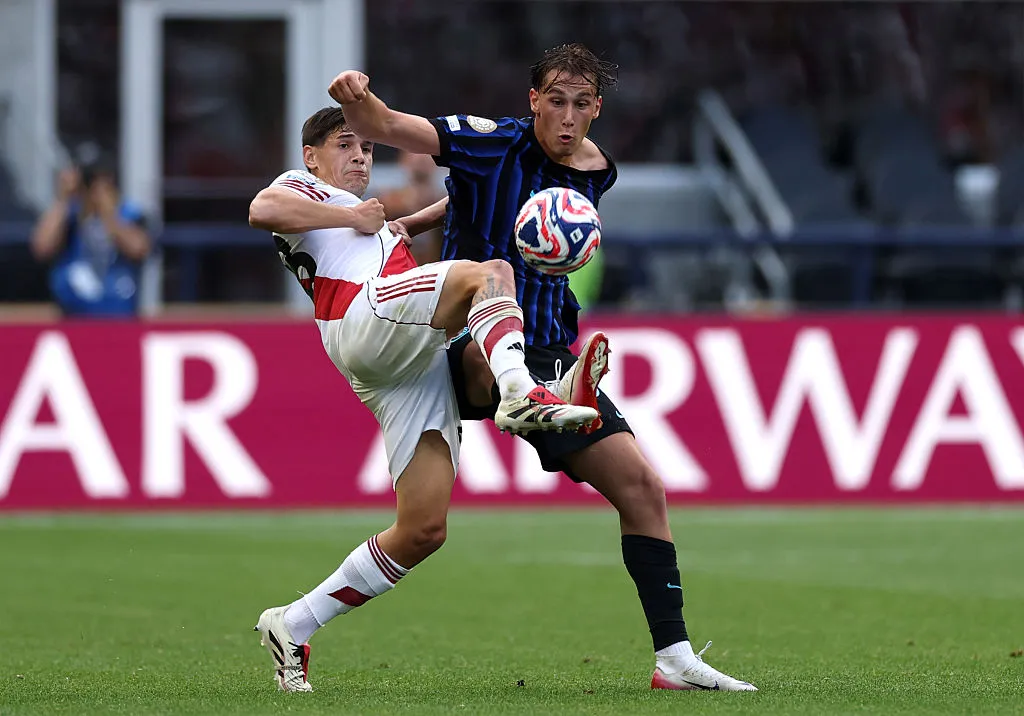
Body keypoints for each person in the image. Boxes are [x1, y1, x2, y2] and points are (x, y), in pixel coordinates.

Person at [327, 43, 757, 691]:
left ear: (597, 111)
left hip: (551, 344)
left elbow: (478, 201)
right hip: (469, 343)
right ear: (533, 101)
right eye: (554, 101)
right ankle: (531, 391)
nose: (566, 116)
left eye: (581, 105)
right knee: (486, 348)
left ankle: (674, 659)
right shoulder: (486, 143)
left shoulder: (595, 170)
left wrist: (424, 216)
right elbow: (387, 127)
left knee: (642, 489)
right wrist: (354, 97)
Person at [247, 107, 600, 692]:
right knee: (487, 275)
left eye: (366, 146)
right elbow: (262, 210)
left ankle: (293, 623)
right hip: (363, 315)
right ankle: (522, 392)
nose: (360, 154)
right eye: (345, 144)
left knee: (422, 528)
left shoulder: (373, 221)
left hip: (398, 364)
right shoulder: (304, 187)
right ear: (312, 156)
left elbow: (395, 226)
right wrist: (351, 213)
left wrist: (450, 202)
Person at [30, 157, 150, 316]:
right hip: (74, 314)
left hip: (119, 314)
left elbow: (139, 249)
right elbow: (41, 247)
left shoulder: (130, 214)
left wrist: (109, 215)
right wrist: (63, 199)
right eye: (91, 183)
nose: (96, 191)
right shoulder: (69, 216)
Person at [377, 151, 446, 265]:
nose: (422, 158)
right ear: (403, 160)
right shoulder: (387, 201)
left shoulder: (448, 202)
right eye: (415, 152)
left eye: (428, 153)